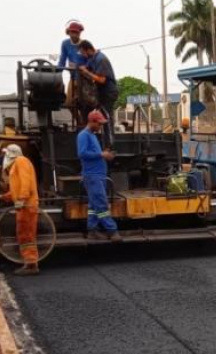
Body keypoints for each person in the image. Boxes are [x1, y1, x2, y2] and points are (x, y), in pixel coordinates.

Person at [78, 110, 121, 241]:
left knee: (93, 205)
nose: (101, 126)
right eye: (99, 124)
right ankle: (112, 230)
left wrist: (104, 153)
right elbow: (82, 154)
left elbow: (92, 154)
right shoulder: (83, 135)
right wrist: (102, 155)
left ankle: (92, 231)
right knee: (101, 204)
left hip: (97, 175)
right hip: (92, 176)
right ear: (92, 122)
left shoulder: (92, 135)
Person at [0, 145, 40, 276]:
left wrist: (22, 198)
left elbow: (25, 182)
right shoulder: (17, 164)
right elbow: (18, 186)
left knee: (27, 234)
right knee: (23, 233)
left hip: (26, 205)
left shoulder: (21, 161)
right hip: (23, 205)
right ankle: (29, 262)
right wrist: (4, 197)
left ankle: (31, 263)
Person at [77, 40, 118, 130]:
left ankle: (108, 142)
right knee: (92, 113)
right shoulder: (92, 59)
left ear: (88, 50)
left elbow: (102, 80)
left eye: (83, 53)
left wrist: (87, 72)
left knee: (105, 116)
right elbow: (87, 68)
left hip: (109, 92)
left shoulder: (101, 59)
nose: (83, 55)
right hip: (100, 92)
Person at [58, 20, 87, 121]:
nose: (74, 35)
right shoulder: (65, 44)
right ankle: (79, 122)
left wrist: (78, 66)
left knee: (84, 103)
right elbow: (62, 60)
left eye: (76, 33)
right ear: (68, 32)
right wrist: (57, 75)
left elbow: (89, 61)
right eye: (72, 32)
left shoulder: (84, 44)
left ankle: (85, 122)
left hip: (84, 79)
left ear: (79, 33)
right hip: (73, 77)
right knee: (69, 103)